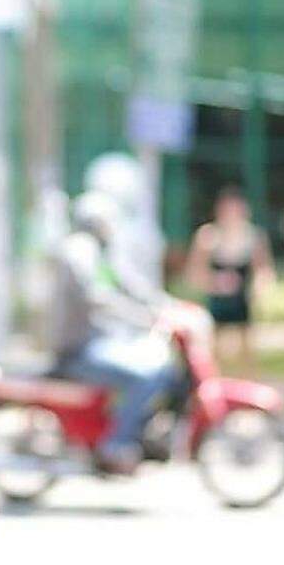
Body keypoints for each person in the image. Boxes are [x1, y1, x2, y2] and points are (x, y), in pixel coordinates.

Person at [51, 192, 176, 475]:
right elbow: (97, 297)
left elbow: (127, 282)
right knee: (146, 376)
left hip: (101, 341)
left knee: (159, 367)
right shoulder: (78, 250)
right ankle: (115, 444)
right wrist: (142, 317)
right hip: (80, 349)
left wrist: (165, 304)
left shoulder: (99, 251)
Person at [186, 185, 275, 374]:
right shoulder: (208, 237)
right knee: (213, 352)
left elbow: (264, 270)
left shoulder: (253, 237)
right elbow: (193, 273)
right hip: (217, 302)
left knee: (246, 353)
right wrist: (216, 283)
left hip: (242, 302)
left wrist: (258, 288)